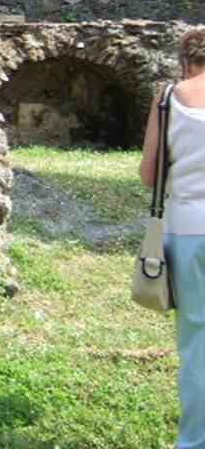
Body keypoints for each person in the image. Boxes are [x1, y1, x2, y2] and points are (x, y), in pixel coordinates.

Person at [140, 27, 205, 449]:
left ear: (185, 60)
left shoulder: (170, 98)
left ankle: (194, 440)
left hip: (190, 228)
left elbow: (150, 173)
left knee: (198, 340)